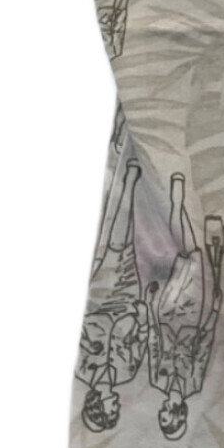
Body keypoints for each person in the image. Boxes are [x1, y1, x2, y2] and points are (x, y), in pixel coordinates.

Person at [143, 171, 224, 440]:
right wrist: (214, 313)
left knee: (184, 256)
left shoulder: (157, 380)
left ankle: (177, 203)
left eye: (161, 415)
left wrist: (150, 306)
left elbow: (153, 342)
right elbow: (204, 346)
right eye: (167, 416)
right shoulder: (194, 384)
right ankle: (179, 203)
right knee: (194, 257)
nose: (163, 410)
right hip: (193, 315)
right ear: (179, 415)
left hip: (167, 315)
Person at [76, 153, 146, 433]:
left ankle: (129, 181)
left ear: (97, 405)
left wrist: (89, 338)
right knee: (129, 249)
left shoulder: (84, 369)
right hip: (128, 302)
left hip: (102, 301)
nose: (116, 405)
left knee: (116, 246)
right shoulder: (126, 374)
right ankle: (130, 186)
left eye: (111, 409)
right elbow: (141, 343)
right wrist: (141, 316)